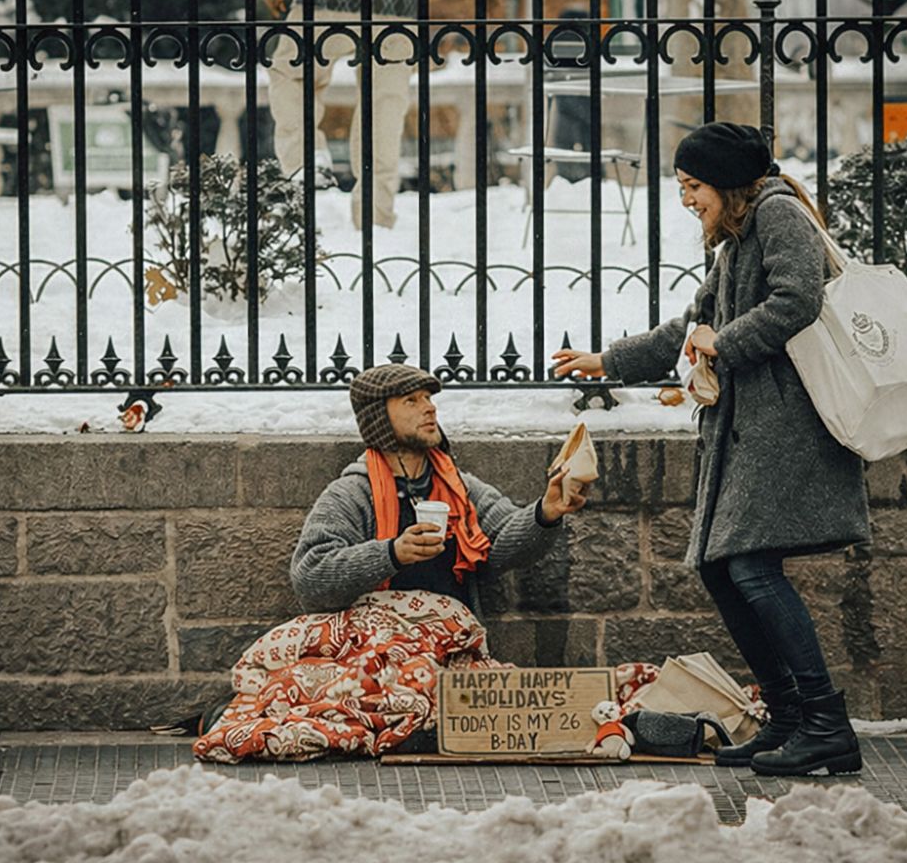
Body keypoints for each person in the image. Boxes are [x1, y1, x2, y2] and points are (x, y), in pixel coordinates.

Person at [552, 122, 871, 777]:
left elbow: (797, 299)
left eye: (693, 185)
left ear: (728, 182)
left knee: (749, 566)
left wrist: (723, 343)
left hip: (786, 428)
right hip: (750, 429)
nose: (687, 199)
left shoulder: (778, 213)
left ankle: (826, 724)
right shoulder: (738, 237)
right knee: (721, 567)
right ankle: (788, 716)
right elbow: (690, 325)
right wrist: (609, 360)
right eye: (682, 186)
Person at [291, 363, 588, 617]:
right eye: (411, 400)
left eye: (428, 398)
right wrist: (392, 553)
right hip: (378, 644)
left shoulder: (459, 486)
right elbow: (309, 577)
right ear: (378, 417)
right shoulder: (351, 494)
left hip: (452, 639)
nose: (429, 407)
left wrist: (545, 514)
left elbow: (503, 544)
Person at [258, 0, 463, 225]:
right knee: (384, 107)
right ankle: (375, 216)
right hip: (397, 0)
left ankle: (305, 161)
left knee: (291, 73)